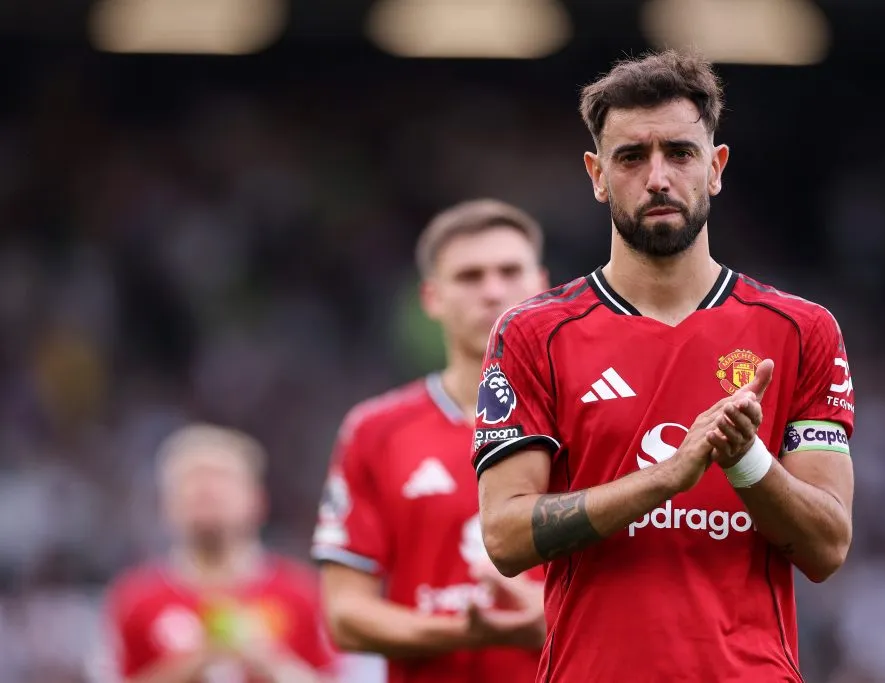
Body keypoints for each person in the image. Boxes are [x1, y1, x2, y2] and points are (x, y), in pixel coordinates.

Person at [472, 49, 856, 682]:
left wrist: (745, 459)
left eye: (679, 153)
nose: (658, 178)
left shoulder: (801, 330)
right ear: (597, 175)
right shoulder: (533, 333)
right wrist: (667, 477)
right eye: (631, 157)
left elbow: (827, 546)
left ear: (715, 168)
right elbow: (506, 536)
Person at [314, 199, 549, 683]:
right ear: (432, 297)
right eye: (469, 276)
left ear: (542, 284)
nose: (492, 291)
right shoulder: (374, 430)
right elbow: (344, 615)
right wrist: (467, 630)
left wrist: (552, 616)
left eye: (510, 271)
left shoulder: (592, 419)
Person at [97, 424, 342, 683]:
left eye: (222, 480)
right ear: (166, 504)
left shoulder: (304, 594)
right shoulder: (133, 600)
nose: (207, 492)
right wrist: (193, 664)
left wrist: (270, 662)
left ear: (257, 500)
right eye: (191, 482)